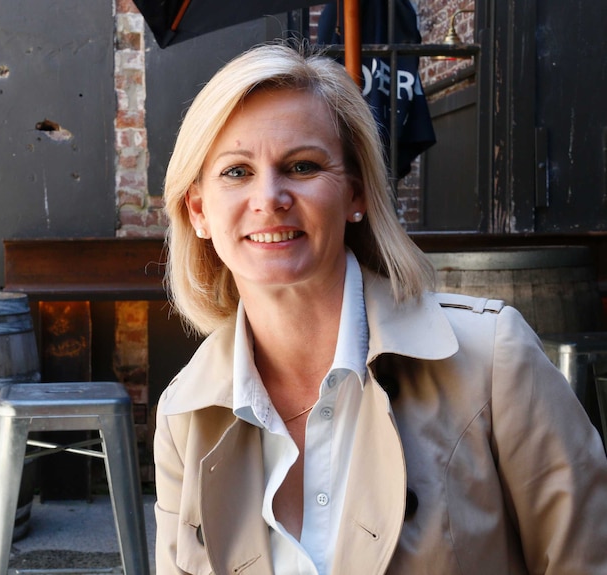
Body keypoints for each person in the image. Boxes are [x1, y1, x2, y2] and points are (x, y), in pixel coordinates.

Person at [153, 42, 607, 575]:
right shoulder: (183, 415)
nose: (270, 196)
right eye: (235, 171)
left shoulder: (492, 359)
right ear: (199, 209)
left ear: (356, 193)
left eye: (301, 165)